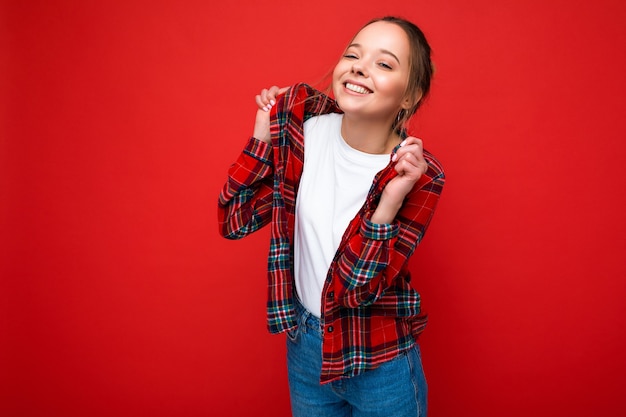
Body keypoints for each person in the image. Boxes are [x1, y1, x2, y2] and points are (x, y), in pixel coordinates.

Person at [218, 16, 445, 417]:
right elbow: (235, 220)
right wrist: (260, 137)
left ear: (410, 96)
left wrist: (389, 201)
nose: (359, 66)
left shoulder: (418, 176)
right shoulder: (303, 130)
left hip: (380, 360)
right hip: (305, 349)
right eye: (353, 55)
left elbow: (355, 292)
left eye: (384, 63)